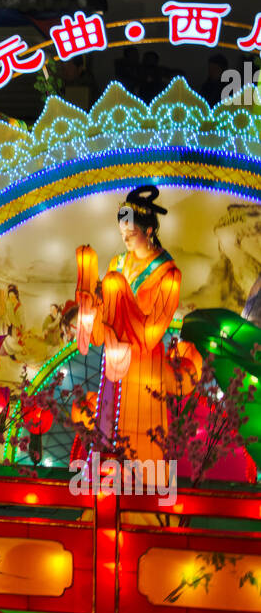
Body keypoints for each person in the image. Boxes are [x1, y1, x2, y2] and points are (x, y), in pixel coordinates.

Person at [75, 185, 186, 467]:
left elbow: (151, 334)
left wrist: (119, 297)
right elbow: (104, 319)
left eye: (130, 233)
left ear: (148, 231)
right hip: (114, 363)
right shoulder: (118, 262)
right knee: (108, 428)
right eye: (121, 234)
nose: (124, 239)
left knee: (140, 441)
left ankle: (143, 502)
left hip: (144, 366)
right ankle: (103, 498)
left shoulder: (168, 274)